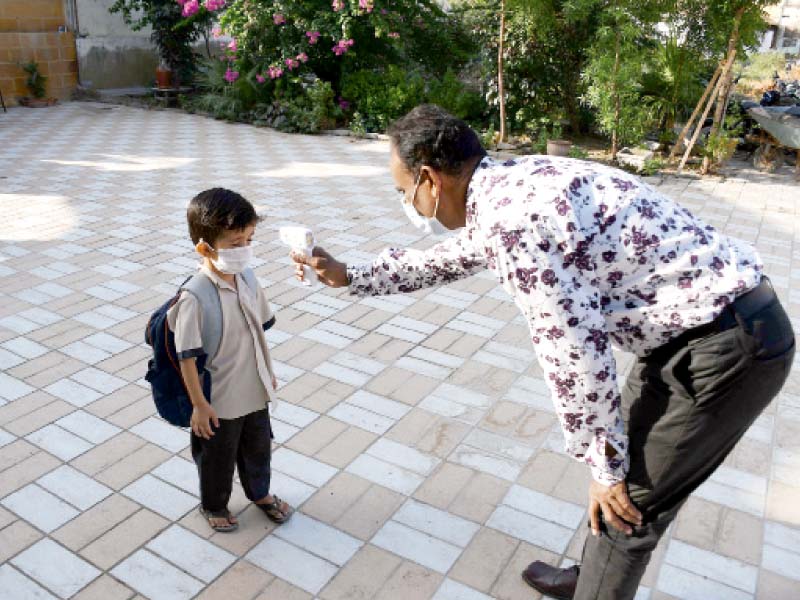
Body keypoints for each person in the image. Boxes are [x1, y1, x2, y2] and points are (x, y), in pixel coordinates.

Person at [291, 105, 795, 599]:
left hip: (724, 348)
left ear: (429, 179)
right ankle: (592, 578)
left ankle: (599, 585)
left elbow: (573, 351)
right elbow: (455, 256)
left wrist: (602, 464)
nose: (407, 202)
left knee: (628, 503)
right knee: (622, 469)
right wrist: (352, 275)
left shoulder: (514, 220)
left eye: (404, 191)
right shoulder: (512, 183)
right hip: (694, 335)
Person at [169, 188, 293, 532]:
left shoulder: (249, 278)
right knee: (217, 458)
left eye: (249, 239)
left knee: (258, 449)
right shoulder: (194, 296)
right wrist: (199, 405)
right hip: (217, 401)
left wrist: (266, 373)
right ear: (204, 247)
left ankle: (260, 493)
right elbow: (187, 358)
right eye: (234, 244)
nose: (244, 250)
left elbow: (258, 330)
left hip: (254, 390)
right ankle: (214, 505)